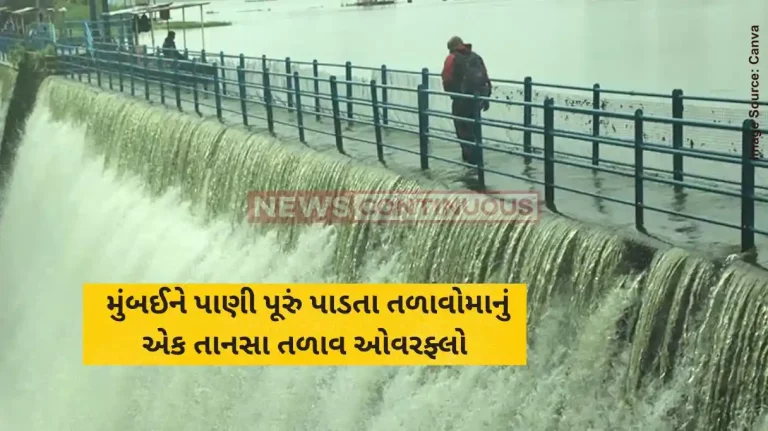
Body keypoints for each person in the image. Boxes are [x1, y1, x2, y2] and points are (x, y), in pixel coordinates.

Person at [440, 36, 492, 165]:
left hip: (461, 100)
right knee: (475, 129)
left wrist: (452, 92)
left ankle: (470, 163)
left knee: (463, 130)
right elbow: (485, 76)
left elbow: (446, 77)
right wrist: (485, 97)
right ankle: (478, 162)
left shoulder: (452, 57)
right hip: (477, 99)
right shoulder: (475, 56)